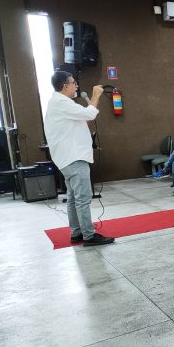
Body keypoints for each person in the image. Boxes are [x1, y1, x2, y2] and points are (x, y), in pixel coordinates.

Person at [44, 71, 114, 246]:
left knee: (74, 197)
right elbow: (89, 114)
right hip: (74, 158)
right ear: (64, 86)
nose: (76, 86)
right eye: (73, 83)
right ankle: (89, 236)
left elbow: (85, 115)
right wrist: (96, 95)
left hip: (68, 158)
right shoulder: (61, 103)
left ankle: (76, 232)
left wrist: (91, 105)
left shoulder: (59, 103)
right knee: (83, 197)